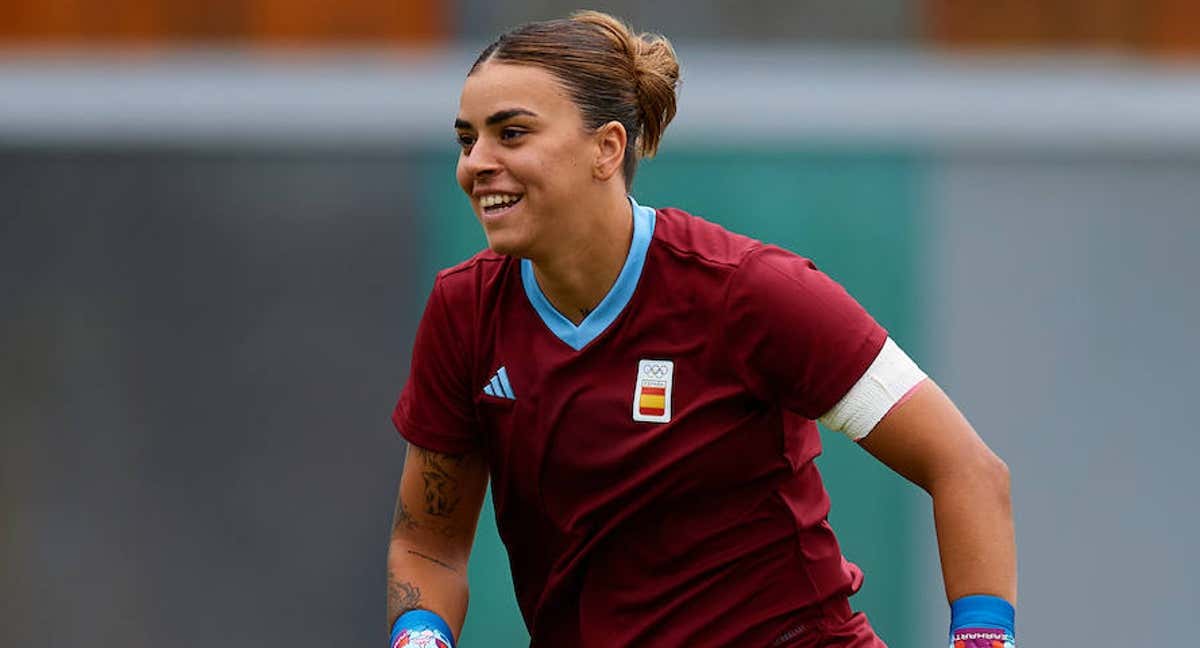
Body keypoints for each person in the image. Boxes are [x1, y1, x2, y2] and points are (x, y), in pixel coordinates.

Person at [386, 10, 1016, 648]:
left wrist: (984, 640)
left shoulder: (754, 291)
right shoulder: (463, 311)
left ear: (606, 148)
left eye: (511, 134)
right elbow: (428, 545)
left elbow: (964, 467)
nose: (475, 165)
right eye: (468, 140)